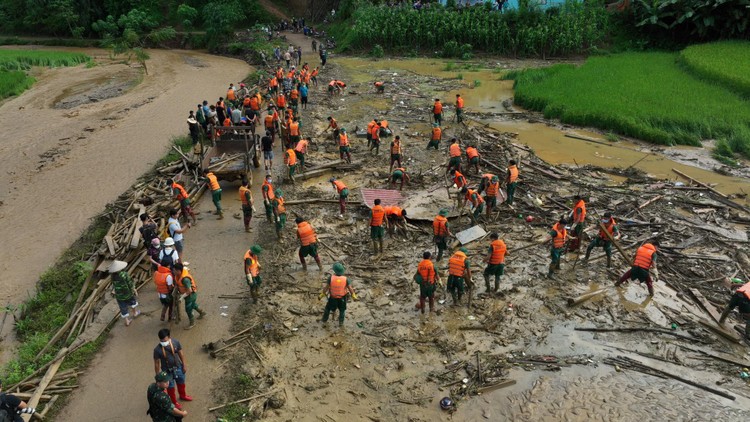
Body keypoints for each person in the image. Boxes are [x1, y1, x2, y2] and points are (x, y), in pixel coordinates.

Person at [153, 328, 192, 409]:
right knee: (170, 387)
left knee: (181, 382)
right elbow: (157, 363)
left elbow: (181, 353)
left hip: (178, 367)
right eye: (162, 341)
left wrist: (184, 364)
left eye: (165, 340)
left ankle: (183, 395)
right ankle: (174, 402)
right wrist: (158, 377)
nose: (164, 342)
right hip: (167, 372)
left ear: (169, 337)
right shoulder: (157, 350)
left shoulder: (175, 342)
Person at [174, 262, 205, 330]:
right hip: (187, 295)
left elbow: (189, 291)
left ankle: (192, 323)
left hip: (191, 296)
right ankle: (202, 312)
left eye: (174, 270)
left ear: (178, 271)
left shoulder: (185, 280)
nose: (173, 271)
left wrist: (181, 298)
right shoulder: (178, 276)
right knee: (193, 305)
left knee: (188, 309)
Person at [109, 260, 141, 326]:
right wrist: (134, 289)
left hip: (119, 296)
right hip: (127, 293)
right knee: (132, 302)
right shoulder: (124, 274)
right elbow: (130, 283)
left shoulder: (112, 276)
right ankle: (135, 313)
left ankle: (127, 321)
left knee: (123, 307)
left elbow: (114, 286)